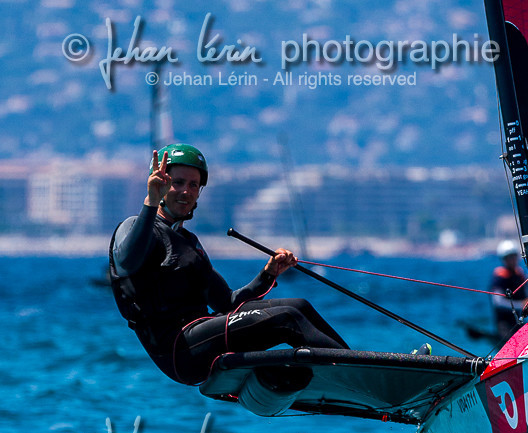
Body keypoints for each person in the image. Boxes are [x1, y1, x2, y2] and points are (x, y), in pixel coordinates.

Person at [110, 145, 350, 385]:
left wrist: (268, 274)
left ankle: (354, 367)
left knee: (299, 306)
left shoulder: (189, 243)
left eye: (194, 185)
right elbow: (129, 261)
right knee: (287, 317)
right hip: (178, 350)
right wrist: (151, 201)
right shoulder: (133, 227)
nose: (186, 191)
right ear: (159, 183)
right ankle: (351, 374)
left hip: (200, 334)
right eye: (178, 182)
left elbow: (227, 303)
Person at [488, 239, 526, 343]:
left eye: (514, 256)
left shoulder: (519, 275)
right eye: (509, 257)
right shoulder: (499, 277)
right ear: (504, 259)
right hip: (504, 324)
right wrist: (521, 305)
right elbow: (498, 302)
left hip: (518, 321)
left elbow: (525, 297)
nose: (512, 260)